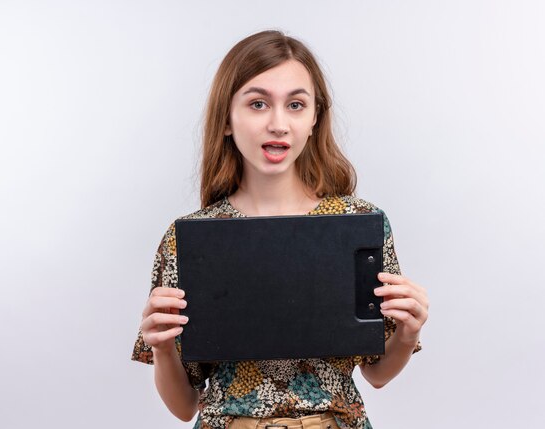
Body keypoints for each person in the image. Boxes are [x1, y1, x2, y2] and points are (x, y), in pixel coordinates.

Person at [132, 30, 429, 429]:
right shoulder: (189, 238)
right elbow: (185, 406)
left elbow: (376, 373)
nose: (278, 123)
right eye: (258, 104)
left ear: (313, 119)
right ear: (226, 120)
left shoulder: (356, 225)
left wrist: (408, 333)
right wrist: (164, 348)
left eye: (295, 105)